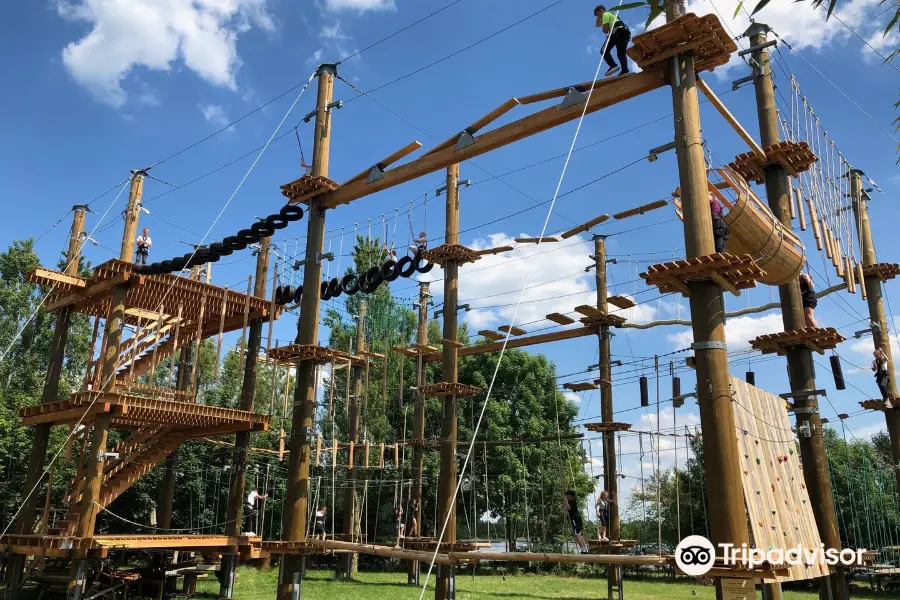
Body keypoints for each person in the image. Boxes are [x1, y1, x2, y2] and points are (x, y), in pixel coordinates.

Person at [594, 5, 632, 76]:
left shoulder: (605, 14)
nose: (598, 17)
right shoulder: (611, 14)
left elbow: (605, 30)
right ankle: (625, 70)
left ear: (600, 10)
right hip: (625, 31)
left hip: (617, 31)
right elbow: (597, 25)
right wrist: (599, 18)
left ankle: (613, 66)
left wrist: (602, 22)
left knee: (603, 50)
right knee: (621, 54)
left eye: (597, 14)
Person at [564, 490, 589, 554]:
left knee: (577, 535)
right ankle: (585, 548)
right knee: (579, 534)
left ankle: (583, 549)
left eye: (567, 495)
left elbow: (568, 508)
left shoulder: (572, 501)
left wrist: (565, 501)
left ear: (570, 496)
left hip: (575, 519)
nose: (566, 497)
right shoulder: (572, 501)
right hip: (577, 519)